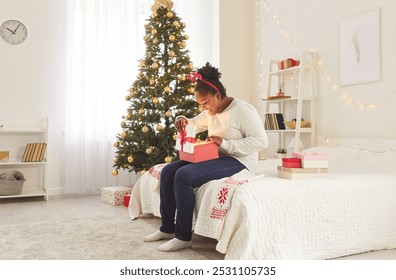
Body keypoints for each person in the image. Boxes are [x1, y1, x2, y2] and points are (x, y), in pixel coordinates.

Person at [143, 62, 268, 252]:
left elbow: (261, 141)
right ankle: (167, 228)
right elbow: (194, 122)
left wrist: (225, 144)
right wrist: (182, 120)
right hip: (218, 156)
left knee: (184, 175)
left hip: (239, 160)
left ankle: (183, 237)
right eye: (200, 104)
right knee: (169, 171)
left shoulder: (243, 110)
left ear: (217, 95)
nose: (204, 108)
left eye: (205, 103)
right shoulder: (211, 111)